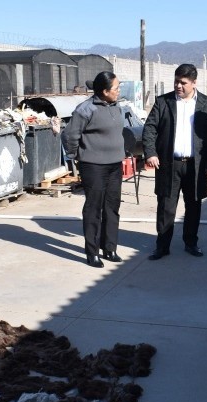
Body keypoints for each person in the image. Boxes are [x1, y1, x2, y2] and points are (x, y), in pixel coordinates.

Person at [142, 63, 207, 260]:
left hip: (196, 166)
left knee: (193, 205)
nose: (178, 86)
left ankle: (191, 242)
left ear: (194, 83)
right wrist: (151, 153)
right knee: (166, 207)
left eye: (183, 82)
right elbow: (150, 128)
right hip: (169, 164)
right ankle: (162, 246)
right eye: (176, 81)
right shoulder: (163, 102)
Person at [61, 71, 125, 268]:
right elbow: (69, 135)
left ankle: (110, 248)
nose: (118, 91)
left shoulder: (117, 107)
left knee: (112, 208)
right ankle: (92, 252)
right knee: (93, 209)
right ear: (105, 91)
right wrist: (77, 157)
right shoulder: (85, 110)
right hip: (93, 167)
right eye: (116, 88)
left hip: (115, 165)